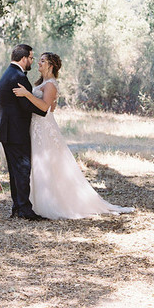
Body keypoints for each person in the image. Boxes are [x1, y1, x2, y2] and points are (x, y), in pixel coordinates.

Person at [13, 52, 134, 219]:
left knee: (47, 162)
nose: (38, 63)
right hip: (37, 127)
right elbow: (52, 108)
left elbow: (45, 108)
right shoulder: (42, 83)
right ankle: (35, 202)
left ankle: (51, 203)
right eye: (39, 60)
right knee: (40, 162)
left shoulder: (50, 85)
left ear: (50, 65)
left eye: (42, 61)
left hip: (44, 128)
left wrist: (27, 94)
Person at [0, 44, 47, 220]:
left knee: (15, 171)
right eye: (31, 58)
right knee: (23, 170)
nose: (32, 61)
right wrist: (44, 110)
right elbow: (25, 105)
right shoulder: (19, 77)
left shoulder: (7, 74)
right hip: (17, 132)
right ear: (24, 58)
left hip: (6, 130)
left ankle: (17, 207)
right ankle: (25, 210)